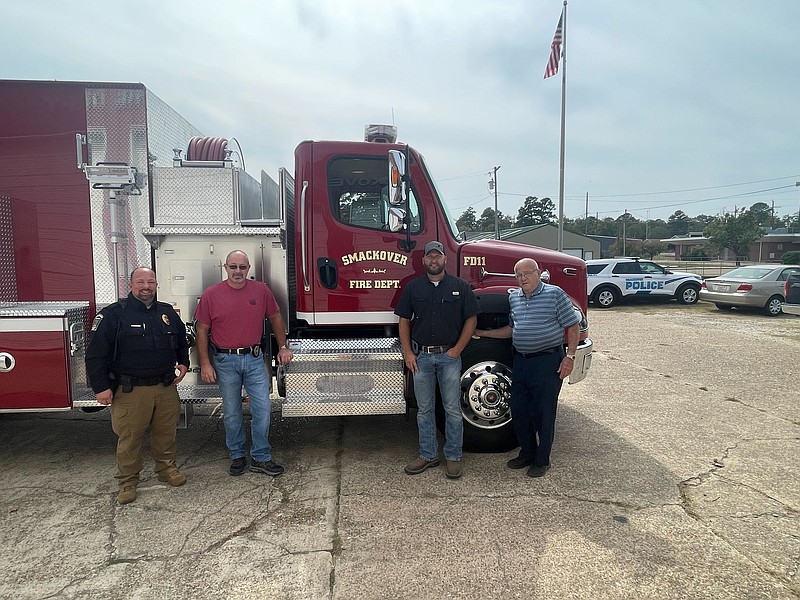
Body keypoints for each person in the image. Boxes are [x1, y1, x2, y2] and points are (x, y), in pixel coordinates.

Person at [86, 267, 190, 505]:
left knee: (166, 433)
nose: (146, 286)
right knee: (130, 438)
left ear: (156, 285)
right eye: (141, 282)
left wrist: (184, 362)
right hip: (130, 391)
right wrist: (101, 387)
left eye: (151, 282)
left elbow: (181, 340)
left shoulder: (166, 313)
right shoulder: (114, 315)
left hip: (165, 388)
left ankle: (166, 470)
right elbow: (95, 355)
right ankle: (128, 481)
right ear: (130, 285)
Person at [475, 258, 579, 477]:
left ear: (538, 273)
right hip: (521, 361)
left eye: (527, 273)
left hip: (548, 361)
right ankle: (527, 453)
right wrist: (482, 334)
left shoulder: (555, 294)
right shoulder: (514, 298)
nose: (523, 278)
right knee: (519, 410)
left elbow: (573, 325)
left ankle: (542, 460)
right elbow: (511, 330)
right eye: (519, 275)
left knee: (543, 412)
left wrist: (569, 357)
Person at [195, 250, 293, 478]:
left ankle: (260, 456)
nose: (237, 271)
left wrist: (283, 347)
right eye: (233, 266)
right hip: (224, 360)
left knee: (263, 409)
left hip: (254, 358)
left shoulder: (261, 291)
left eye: (242, 267)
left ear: (248, 269)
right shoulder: (212, 294)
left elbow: (276, 317)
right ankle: (237, 455)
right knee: (231, 412)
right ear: (225, 268)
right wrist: (205, 363)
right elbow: (202, 330)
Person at [394, 241, 479, 479]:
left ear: (445, 260)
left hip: (449, 357)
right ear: (423, 261)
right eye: (429, 256)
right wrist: (408, 353)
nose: (434, 260)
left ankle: (453, 457)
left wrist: (458, 349)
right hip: (421, 357)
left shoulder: (460, 287)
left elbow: (471, 319)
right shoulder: (413, 288)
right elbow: (403, 320)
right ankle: (428, 455)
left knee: (452, 409)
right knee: (424, 410)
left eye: (438, 256)